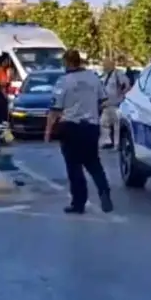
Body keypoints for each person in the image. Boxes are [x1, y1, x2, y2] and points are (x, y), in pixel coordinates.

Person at [44, 49, 113, 214]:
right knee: (94, 163)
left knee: (74, 167)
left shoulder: (63, 82)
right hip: (91, 127)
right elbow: (104, 102)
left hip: (71, 127)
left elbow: (55, 110)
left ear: (67, 63)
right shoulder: (93, 78)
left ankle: (79, 202)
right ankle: (104, 193)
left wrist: (48, 131)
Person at [100, 58, 130, 148]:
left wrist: (122, 95)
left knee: (117, 125)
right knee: (104, 123)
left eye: (106, 65)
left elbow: (126, 85)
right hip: (107, 104)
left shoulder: (118, 74)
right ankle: (108, 141)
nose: (104, 67)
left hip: (116, 104)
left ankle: (117, 144)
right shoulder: (105, 76)